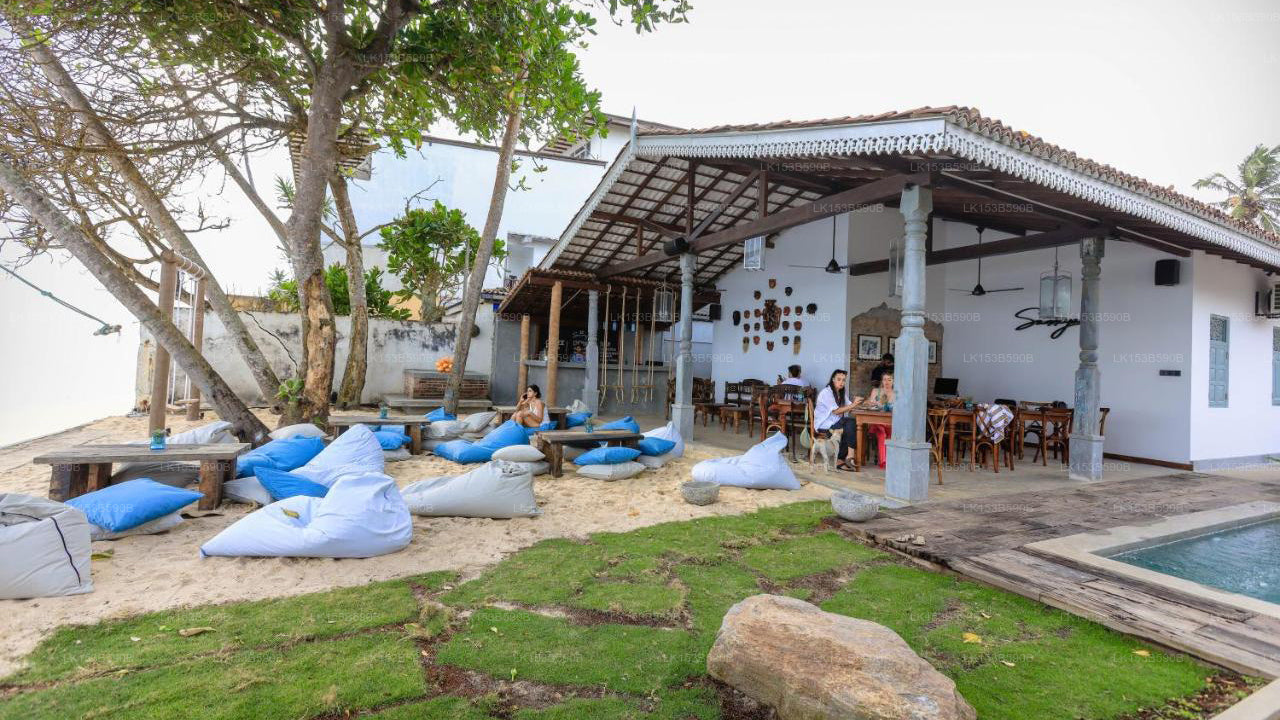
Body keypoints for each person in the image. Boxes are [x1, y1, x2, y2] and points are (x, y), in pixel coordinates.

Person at [813, 369, 863, 471]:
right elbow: (836, 411)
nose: (841, 382)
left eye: (843, 380)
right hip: (825, 425)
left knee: (851, 424)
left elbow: (850, 406)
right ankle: (848, 456)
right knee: (851, 423)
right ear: (833, 379)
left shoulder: (840, 392)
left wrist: (863, 403)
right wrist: (853, 405)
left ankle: (844, 458)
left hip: (835, 423)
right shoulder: (826, 393)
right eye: (839, 379)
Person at [858, 371, 896, 468]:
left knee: (889, 434)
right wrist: (870, 403)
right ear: (882, 381)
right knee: (882, 432)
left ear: (893, 381)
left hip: (889, 424)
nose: (887, 382)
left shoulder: (896, 393)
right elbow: (868, 405)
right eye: (884, 379)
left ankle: (886, 461)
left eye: (889, 380)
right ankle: (884, 462)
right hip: (875, 423)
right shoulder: (876, 391)